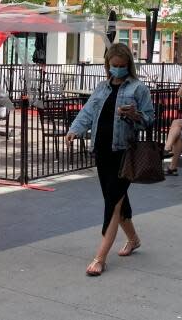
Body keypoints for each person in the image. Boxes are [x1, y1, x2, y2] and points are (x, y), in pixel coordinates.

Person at [65, 43, 154, 276]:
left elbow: (149, 120)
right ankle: (133, 239)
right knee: (115, 199)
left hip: (124, 152)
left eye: (122, 66)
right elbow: (88, 112)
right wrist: (74, 130)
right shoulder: (101, 88)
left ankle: (100, 257)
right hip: (102, 150)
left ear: (129, 66)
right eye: (114, 66)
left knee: (112, 202)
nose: (118, 69)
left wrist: (134, 115)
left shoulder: (138, 88)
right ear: (107, 65)